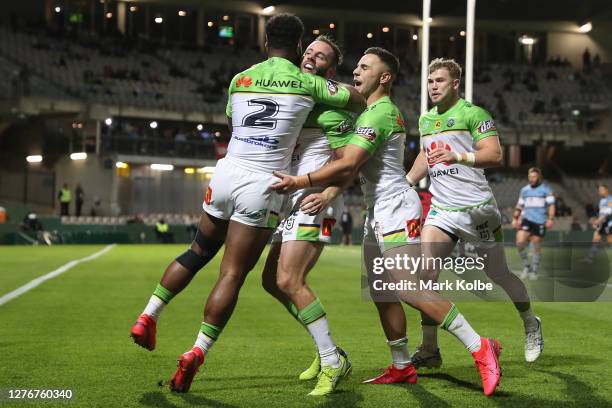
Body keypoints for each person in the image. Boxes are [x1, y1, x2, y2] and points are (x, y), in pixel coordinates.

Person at [129, 13, 365, 395]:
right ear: (300, 45)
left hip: (225, 173)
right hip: (264, 183)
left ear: (265, 41)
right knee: (232, 275)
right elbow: (356, 98)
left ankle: (148, 314)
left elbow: (232, 125)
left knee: (197, 251)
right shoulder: (307, 83)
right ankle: (196, 352)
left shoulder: (240, 78)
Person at [272, 48, 502, 396]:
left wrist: (301, 181)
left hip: (395, 206)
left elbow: (349, 163)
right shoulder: (367, 112)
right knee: (382, 292)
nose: (356, 72)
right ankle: (401, 366)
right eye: (357, 66)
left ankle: (479, 346)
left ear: (385, 77)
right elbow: (350, 165)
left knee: (408, 286)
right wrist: (332, 191)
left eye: (365, 67)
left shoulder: (379, 113)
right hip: (376, 209)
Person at [405, 58, 543, 366]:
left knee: (499, 274)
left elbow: (494, 154)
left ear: (455, 83)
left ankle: (531, 322)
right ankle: (430, 350)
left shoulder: (474, 114)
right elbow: (425, 157)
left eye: (439, 80)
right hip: (441, 210)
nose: (433, 86)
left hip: (477, 209)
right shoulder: (426, 120)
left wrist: (457, 155)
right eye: (430, 81)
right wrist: (408, 182)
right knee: (425, 275)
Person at [260, 34, 357, 395]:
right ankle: (326, 348)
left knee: (289, 280)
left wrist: (328, 194)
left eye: (320, 56)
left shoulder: (331, 107)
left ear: (329, 69)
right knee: (272, 281)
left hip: (316, 199)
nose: (310, 57)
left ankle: (333, 361)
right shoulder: (298, 100)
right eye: (309, 51)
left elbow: (348, 164)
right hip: (293, 198)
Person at [512, 168, 555, 280]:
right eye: (530, 177)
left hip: (540, 221)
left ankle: (534, 270)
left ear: (539, 177)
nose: (531, 179)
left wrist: (550, 218)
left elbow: (551, 205)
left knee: (536, 245)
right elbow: (519, 205)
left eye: (534, 177)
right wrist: (515, 218)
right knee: (520, 243)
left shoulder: (546, 190)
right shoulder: (524, 190)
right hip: (526, 220)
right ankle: (527, 267)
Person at [583, 184, 612, 263]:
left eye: (601, 190)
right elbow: (601, 213)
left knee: (610, 241)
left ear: (607, 190)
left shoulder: (610, 199)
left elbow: (608, 213)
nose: (600, 192)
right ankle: (589, 258)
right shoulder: (601, 200)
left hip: (609, 224)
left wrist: (597, 221)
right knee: (596, 239)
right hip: (602, 224)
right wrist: (595, 219)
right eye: (599, 190)